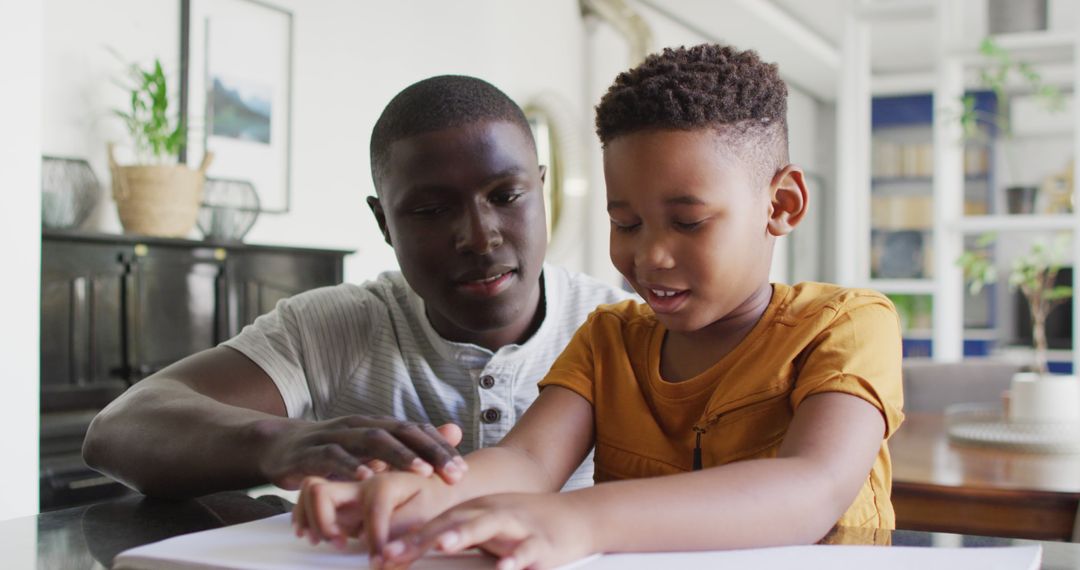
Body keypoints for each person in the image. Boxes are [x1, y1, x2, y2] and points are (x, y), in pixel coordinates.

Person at [292, 43, 905, 570]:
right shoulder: (609, 337)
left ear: (782, 205)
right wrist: (414, 495)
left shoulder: (847, 325)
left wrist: (581, 519)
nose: (651, 256)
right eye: (626, 222)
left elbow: (810, 489)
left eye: (688, 223)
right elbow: (526, 462)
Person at [82, 75, 632, 498]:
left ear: (541, 189)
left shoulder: (625, 331)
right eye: (432, 209)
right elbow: (118, 428)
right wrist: (283, 440)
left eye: (507, 196)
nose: (479, 237)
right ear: (384, 224)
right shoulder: (337, 327)